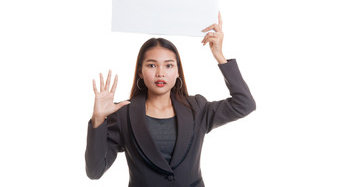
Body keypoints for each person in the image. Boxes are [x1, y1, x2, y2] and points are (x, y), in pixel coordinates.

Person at [85, 12, 256, 187]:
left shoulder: (197, 107)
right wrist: (98, 119)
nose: (160, 73)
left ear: (177, 72)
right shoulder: (123, 114)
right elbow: (95, 171)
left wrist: (220, 56)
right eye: (152, 65)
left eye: (168, 65)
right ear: (140, 72)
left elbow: (244, 104)